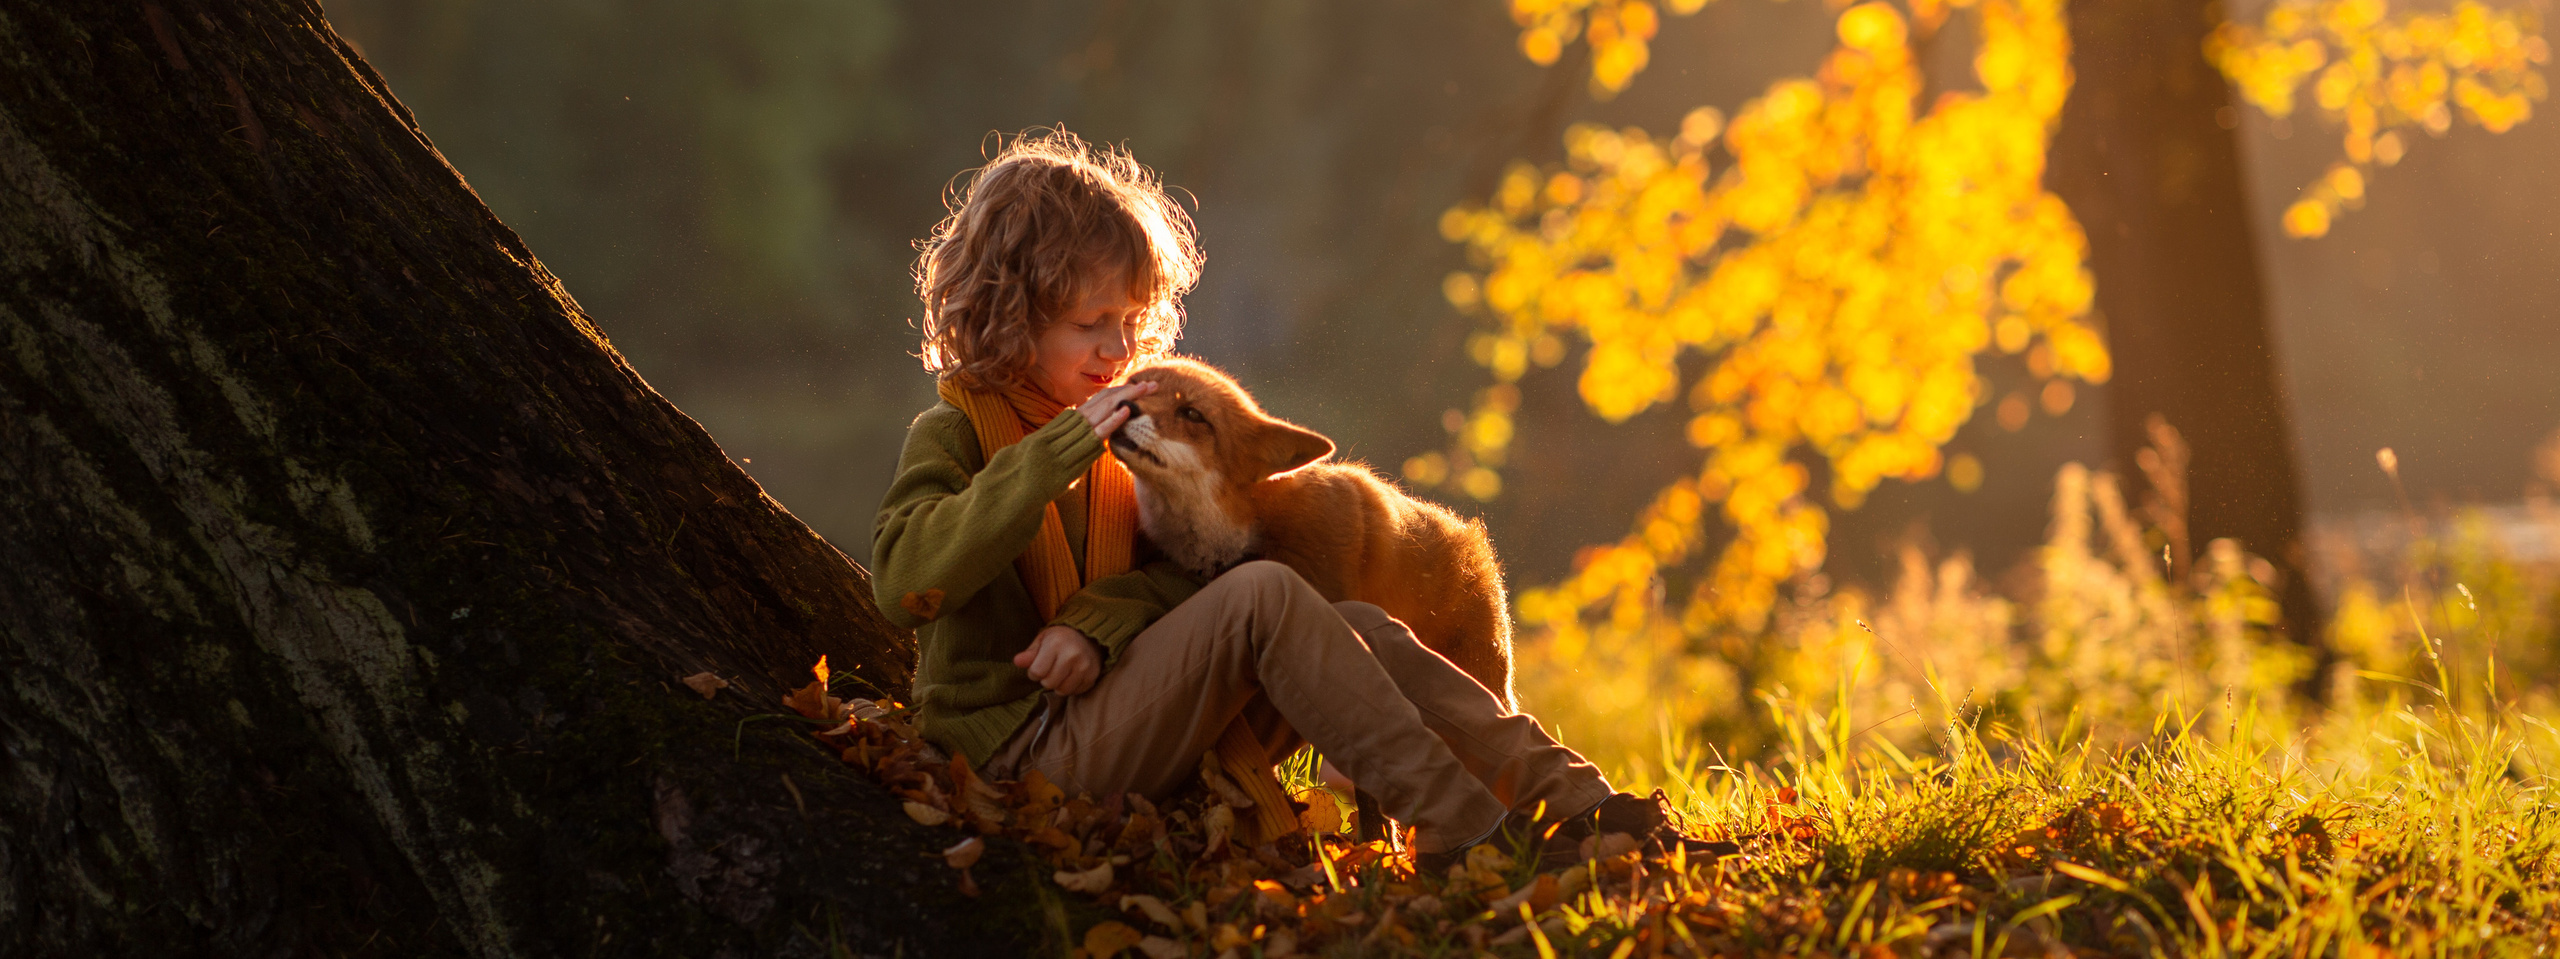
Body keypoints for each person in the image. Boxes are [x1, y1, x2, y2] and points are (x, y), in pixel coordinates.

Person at [870, 128, 1696, 869]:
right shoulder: (961, 437)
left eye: (1130, 319)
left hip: (1113, 720)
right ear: (1013, 313)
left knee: (1357, 626)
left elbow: (1177, 587)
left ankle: (1577, 803)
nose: (1119, 348)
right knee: (1266, 591)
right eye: (1092, 322)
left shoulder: (1116, 445)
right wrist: (1059, 452)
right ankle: (1465, 831)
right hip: (1016, 753)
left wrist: (1097, 623)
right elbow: (905, 580)